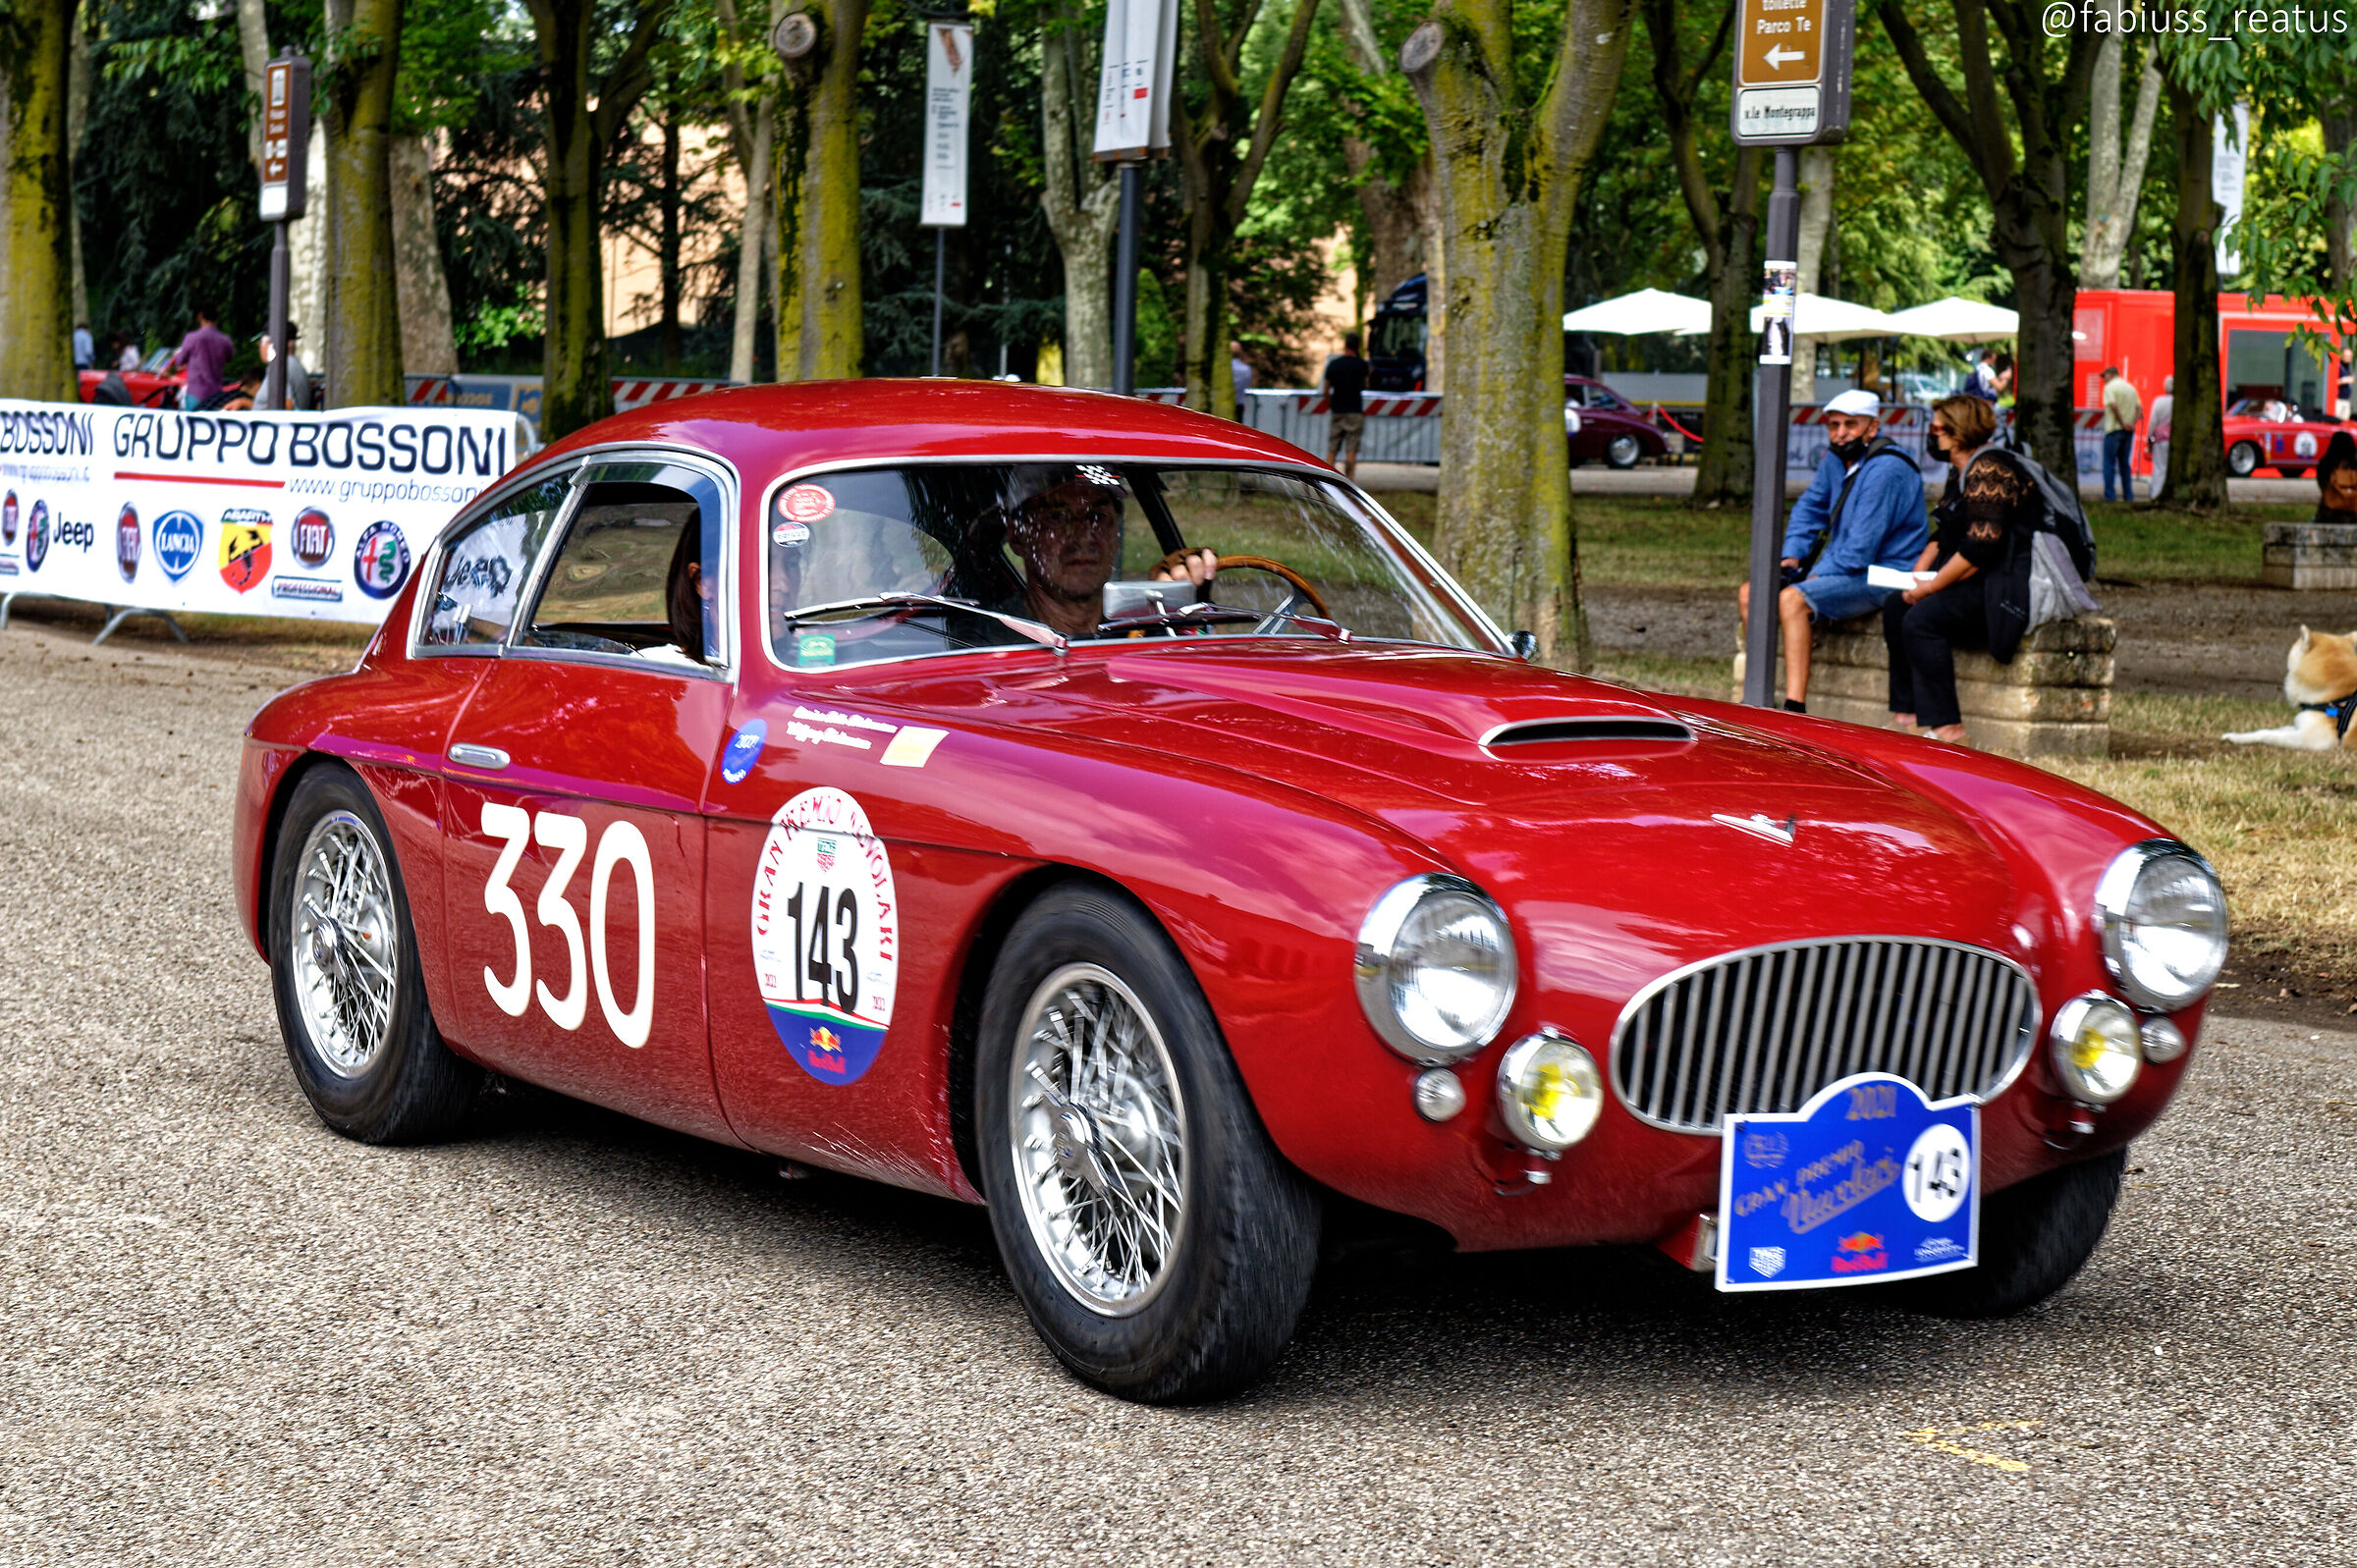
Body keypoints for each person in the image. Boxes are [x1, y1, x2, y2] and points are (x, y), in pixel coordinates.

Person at [1734, 388, 1929, 713]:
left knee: (1792, 600)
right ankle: (1756, 694)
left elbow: (1861, 548)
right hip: (1847, 566)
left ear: (1873, 427)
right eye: (1833, 425)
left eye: (1850, 425)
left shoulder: (1887, 469)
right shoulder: (1837, 460)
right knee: (1750, 593)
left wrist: (1815, 575)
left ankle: (1795, 706)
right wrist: (1792, 554)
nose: (1839, 433)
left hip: (1888, 573)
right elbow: (1809, 508)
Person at [1883, 394, 2041, 744]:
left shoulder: (1990, 468)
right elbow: (1947, 532)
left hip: (2002, 587)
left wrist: (1931, 586)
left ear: (1958, 431)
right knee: (1897, 605)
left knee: (1922, 619)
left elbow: (1980, 548)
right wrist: (1917, 574)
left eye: (1937, 427)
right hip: (1974, 576)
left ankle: (1948, 728)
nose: (1931, 434)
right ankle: (1907, 718)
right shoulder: (1961, 469)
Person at [995, 466, 1218, 641]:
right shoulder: (982, 643)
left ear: (1115, 535)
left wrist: (1187, 613)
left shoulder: (1147, 630)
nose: (1083, 537)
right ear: (1018, 537)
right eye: (1058, 517)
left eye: (1098, 517)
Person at [1322, 333, 1370, 478]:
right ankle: (1349, 482)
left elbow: (1326, 390)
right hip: (1355, 411)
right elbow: (1366, 385)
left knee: (1332, 449)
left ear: (1345, 345)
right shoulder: (1362, 365)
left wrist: (1331, 404)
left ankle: (1328, 483)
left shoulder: (1334, 365)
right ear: (1358, 346)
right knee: (1351, 451)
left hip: (1338, 410)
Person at [168, 306, 234, 410]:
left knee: (191, 424)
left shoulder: (192, 338)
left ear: (200, 317)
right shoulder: (225, 340)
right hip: (216, 393)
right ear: (218, 318)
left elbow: (179, 361)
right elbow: (230, 358)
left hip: (196, 393)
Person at [2100, 365, 2141, 503]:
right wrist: (2132, 423)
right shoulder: (2131, 388)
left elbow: (2113, 406)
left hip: (2114, 429)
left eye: (2104, 376)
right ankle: (2128, 495)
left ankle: (2110, 496)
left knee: (2109, 464)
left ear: (2110, 374)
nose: (2103, 379)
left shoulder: (2109, 388)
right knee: (2124, 464)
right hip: (2128, 432)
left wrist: (2122, 422)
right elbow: (2139, 408)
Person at [261, 325, 311, 411]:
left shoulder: (279, 365)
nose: (261, 348)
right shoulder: (291, 363)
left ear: (271, 343)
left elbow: (287, 406)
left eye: (262, 342)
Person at [2146, 374, 2173, 500]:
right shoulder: (2180, 403)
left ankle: (2156, 493)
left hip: (2160, 440)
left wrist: (2149, 441)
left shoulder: (2158, 401)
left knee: (2158, 468)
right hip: (2174, 441)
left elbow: (2152, 423)